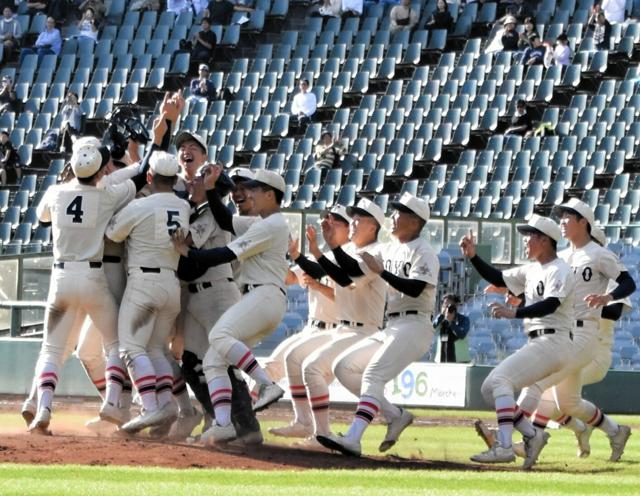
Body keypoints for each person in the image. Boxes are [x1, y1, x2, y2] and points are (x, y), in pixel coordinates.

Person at [25, 142, 145, 434]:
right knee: (116, 343)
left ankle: (42, 408)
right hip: (93, 277)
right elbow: (141, 174)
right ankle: (113, 402)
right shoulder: (105, 195)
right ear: (102, 169)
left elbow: (42, 217)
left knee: (51, 350)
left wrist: (69, 180)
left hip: (61, 278)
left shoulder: (56, 192)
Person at [172, 167, 290, 445]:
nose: (248, 193)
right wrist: (212, 189)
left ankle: (266, 384)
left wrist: (189, 252)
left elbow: (225, 253)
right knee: (213, 360)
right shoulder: (263, 222)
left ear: (270, 194)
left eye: (255, 189)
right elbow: (226, 220)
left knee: (219, 336)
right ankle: (223, 424)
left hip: (265, 294)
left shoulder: (272, 224)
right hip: (258, 295)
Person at [316, 193, 439, 457]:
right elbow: (351, 271)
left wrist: (382, 272)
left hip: (416, 324)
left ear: (415, 221)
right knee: (344, 367)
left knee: (372, 375)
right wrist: (333, 247)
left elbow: (416, 289)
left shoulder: (424, 251)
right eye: (394, 211)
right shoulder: (389, 247)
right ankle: (395, 415)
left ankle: (354, 438)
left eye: (399, 212)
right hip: (393, 325)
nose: (393, 216)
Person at [460, 215, 576, 469]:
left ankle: (504, 446)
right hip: (541, 341)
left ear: (544, 240)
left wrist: (516, 312)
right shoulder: (533, 269)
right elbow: (499, 279)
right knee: (490, 388)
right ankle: (533, 436)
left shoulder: (560, 268)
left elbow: (551, 304)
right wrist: (473, 257)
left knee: (501, 381)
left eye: (530, 236)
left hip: (554, 340)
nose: (525, 241)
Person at [275, 198, 386, 448]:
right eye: (352, 217)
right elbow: (316, 273)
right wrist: (306, 253)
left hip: (362, 330)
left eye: (358, 218)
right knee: (299, 361)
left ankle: (321, 433)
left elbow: (343, 279)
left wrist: (316, 253)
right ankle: (316, 429)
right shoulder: (347, 252)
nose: (354, 222)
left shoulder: (373, 252)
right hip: (343, 328)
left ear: (373, 226)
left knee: (311, 367)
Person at [105, 151, 191, 434]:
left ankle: (151, 407)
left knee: (131, 347)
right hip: (171, 283)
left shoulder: (140, 206)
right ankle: (166, 404)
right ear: (175, 178)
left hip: (144, 283)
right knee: (156, 348)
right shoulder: (183, 206)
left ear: (150, 177)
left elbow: (112, 234)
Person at [433, 294, 470, 363]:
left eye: (449, 306)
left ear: (456, 307)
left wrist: (451, 322)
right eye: (445, 305)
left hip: (460, 361)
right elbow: (432, 330)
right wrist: (441, 315)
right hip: (441, 361)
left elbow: (461, 335)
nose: (447, 308)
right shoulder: (440, 319)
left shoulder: (464, 319)